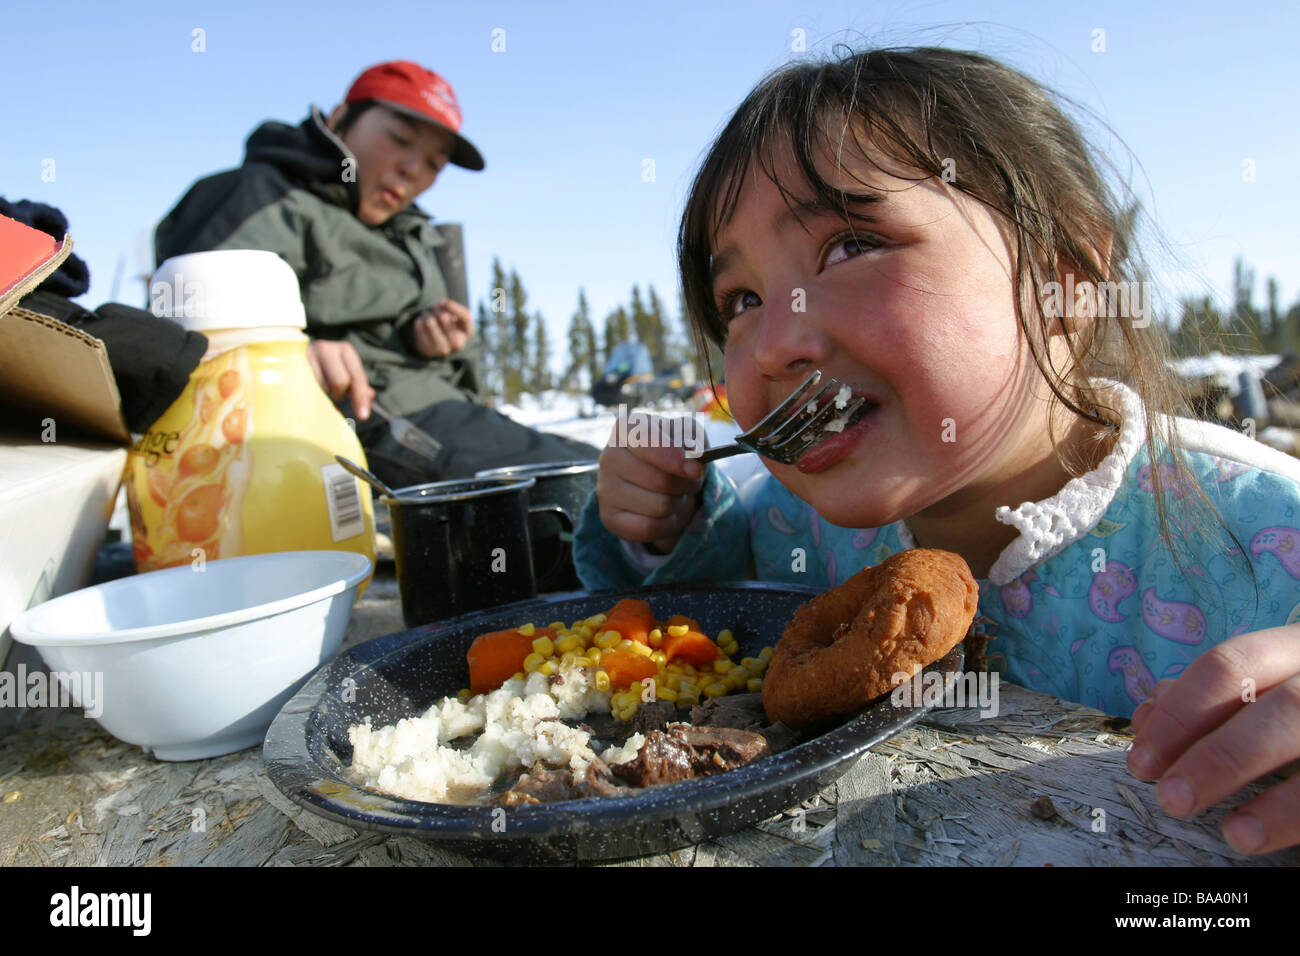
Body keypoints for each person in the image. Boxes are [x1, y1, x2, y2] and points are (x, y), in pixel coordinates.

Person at [574, 48, 1300, 855]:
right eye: (740, 300)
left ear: (1065, 282)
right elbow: (681, 606)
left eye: (851, 245)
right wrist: (664, 520)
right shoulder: (782, 530)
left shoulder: (1263, 538)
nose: (774, 344)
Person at [154, 60, 596, 488]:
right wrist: (289, 357)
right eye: (400, 139)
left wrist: (429, 340)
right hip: (355, 423)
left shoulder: (411, 234)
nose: (413, 169)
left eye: (433, 165)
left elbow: (441, 371)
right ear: (341, 118)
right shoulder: (261, 197)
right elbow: (185, 340)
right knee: (583, 499)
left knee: (614, 474)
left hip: (442, 416)